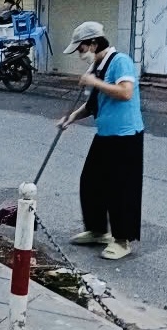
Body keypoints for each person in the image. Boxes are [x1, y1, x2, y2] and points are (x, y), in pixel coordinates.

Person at [58, 21, 144, 260]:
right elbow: (93, 104)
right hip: (105, 134)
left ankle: (122, 240)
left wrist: (93, 81)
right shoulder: (97, 66)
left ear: (94, 43)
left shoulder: (120, 61)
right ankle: (97, 231)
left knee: (121, 189)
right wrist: (70, 119)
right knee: (91, 182)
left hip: (125, 136)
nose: (80, 54)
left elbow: (125, 92)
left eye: (81, 48)